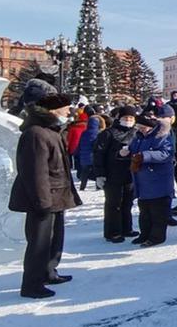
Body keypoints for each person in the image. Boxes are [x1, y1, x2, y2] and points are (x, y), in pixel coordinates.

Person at [9, 93, 82, 299]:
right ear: (53, 110)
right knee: (39, 243)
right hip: (43, 198)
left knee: (54, 239)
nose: (70, 111)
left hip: (57, 195)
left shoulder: (51, 131)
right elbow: (35, 172)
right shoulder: (36, 134)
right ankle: (32, 285)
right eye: (66, 108)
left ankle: (49, 271)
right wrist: (42, 201)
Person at [92, 105, 139, 243]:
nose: (129, 120)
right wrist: (100, 174)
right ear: (119, 118)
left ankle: (126, 228)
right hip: (112, 174)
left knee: (127, 202)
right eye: (126, 118)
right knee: (114, 204)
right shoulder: (108, 133)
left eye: (131, 118)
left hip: (129, 173)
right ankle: (112, 232)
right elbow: (98, 154)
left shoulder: (136, 133)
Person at [128, 114, 175, 247]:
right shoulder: (138, 137)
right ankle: (144, 234)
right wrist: (126, 152)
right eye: (139, 127)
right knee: (144, 211)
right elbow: (133, 150)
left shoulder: (162, 136)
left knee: (158, 212)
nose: (141, 129)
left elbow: (166, 154)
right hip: (142, 181)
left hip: (158, 180)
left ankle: (156, 237)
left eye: (144, 127)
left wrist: (145, 156)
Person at [76, 114, 101, 190]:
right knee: (97, 171)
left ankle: (82, 186)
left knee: (84, 172)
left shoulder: (84, 133)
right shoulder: (98, 133)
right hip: (94, 156)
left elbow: (80, 144)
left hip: (84, 156)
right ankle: (98, 186)